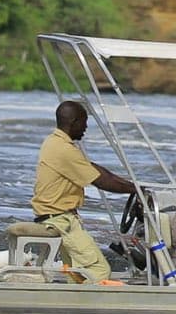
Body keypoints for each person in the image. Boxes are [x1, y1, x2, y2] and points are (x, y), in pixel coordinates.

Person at [30, 99, 136, 281]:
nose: (86, 127)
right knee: (99, 271)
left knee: (76, 272)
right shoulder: (64, 149)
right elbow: (102, 181)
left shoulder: (54, 142)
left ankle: (73, 293)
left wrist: (131, 185)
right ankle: (89, 297)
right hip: (62, 221)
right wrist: (135, 190)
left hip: (53, 217)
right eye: (84, 122)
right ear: (74, 122)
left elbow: (93, 168)